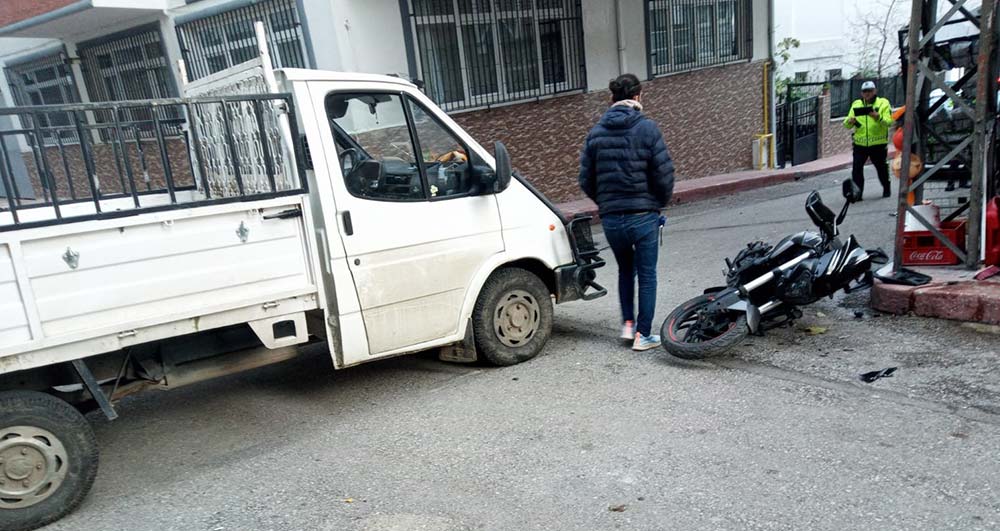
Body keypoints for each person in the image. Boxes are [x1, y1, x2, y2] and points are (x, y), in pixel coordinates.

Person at [578, 74, 675, 351]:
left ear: (612, 99)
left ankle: (628, 325)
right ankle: (643, 335)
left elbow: (585, 178)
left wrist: (606, 202)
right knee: (647, 274)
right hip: (643, 214)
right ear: (638, 97)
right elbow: (664, 173)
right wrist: (658, 201)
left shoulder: (596, 133)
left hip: (612, 218)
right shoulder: (648, 129)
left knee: (625, 271)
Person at [844, 80, 893, 198]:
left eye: (870, 91)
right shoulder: (856, 104)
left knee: (881, 169)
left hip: (878, 144)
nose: (867, 94)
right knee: (856, 170)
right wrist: (849, 122)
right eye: (865, 91)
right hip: (860, 144)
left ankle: (886, 188)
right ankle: (858, 193)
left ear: (875, 91)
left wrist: (878, 117)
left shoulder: (883, 103)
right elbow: (846, 123)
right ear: (861, 93)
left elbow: (889, 122)